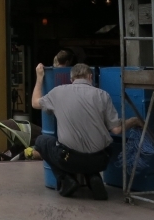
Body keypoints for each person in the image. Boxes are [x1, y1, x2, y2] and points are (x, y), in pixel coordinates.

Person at [31, 62, 128, 200]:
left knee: (41, 141)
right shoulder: (103, 95)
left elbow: (35, 103)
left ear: (71, 79)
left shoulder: (58, 92)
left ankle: (66, 180)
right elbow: (117, 129)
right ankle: (93, 177)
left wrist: (40, 77)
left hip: (69, 159)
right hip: (99, 160)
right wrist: (134, 121)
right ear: (90, 76)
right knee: (99, 148)